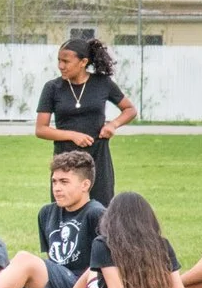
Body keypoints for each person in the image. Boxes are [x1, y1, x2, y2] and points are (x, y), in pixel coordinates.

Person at [0, 151, 103, 288]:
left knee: (25, 260)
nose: (57, 188)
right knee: (0, 264)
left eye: (64, 182)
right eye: (54, 181)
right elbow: (53, 259)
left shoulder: (97, 213)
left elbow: (105, 267)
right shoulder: (47, 213)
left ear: (85, 185)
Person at [35, 36, 136, 204]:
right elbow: (41, 129)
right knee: (64, 208)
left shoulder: (102, 83)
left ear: (83, 62)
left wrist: (113, 125)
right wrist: (73, 135)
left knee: (101, 210)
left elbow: (130, 109)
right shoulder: (52, 88)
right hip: (65, 159)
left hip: (98, 158)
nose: (61, 66)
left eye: (66, 61)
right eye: (59, 60)